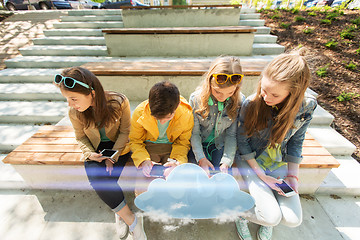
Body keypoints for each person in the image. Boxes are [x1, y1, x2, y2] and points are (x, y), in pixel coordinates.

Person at [54, 67, 146, 240]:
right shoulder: (74, 112)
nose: (70, 104)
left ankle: (120, 213)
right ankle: (131, 219)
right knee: (97, 177)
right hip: (95, 149)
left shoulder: (119, 101)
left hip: (120, 146)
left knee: (107, 177)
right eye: (67, 99)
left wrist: (113, 156)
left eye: (73, 99)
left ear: (92, 93)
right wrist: (90, 154)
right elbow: (81, 137)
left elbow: (126, 131)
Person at [235, 50, 317, 240]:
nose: (265, 97)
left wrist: (292, 176)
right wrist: (262, 176)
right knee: (271, 217)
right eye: (263, 89)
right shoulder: (252, 103)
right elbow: (242, 142)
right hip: (252, 160)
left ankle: (263, 216)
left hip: (277, 162)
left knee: (292, 219)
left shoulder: (307, 107)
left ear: (293, 95)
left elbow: (297, 141)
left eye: (274, 94)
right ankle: (241, 214)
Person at [129, 81, 194, 195]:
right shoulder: (140, 112)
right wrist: (143, 160)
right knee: (142, 190)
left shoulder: (186, 114)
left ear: (177, 106)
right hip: (148, 147)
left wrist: (177, 162)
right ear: (149, 104)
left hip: (173, 148)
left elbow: (183, 143)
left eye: (168, 117)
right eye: (157, 118)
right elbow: (135, 141)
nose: (162, 121)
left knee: (177, 187)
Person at [188, 56, 244, 176]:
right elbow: (195, 133)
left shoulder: (239, 101)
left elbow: (231, 135)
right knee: (196, 178)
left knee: (223, 178)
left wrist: (226, 162)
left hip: (220, 146)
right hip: (198, 146)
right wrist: (201, 158)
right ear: (209, 83)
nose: (222, 97)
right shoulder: (196, 99)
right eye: (218, 92)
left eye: (230, 92)